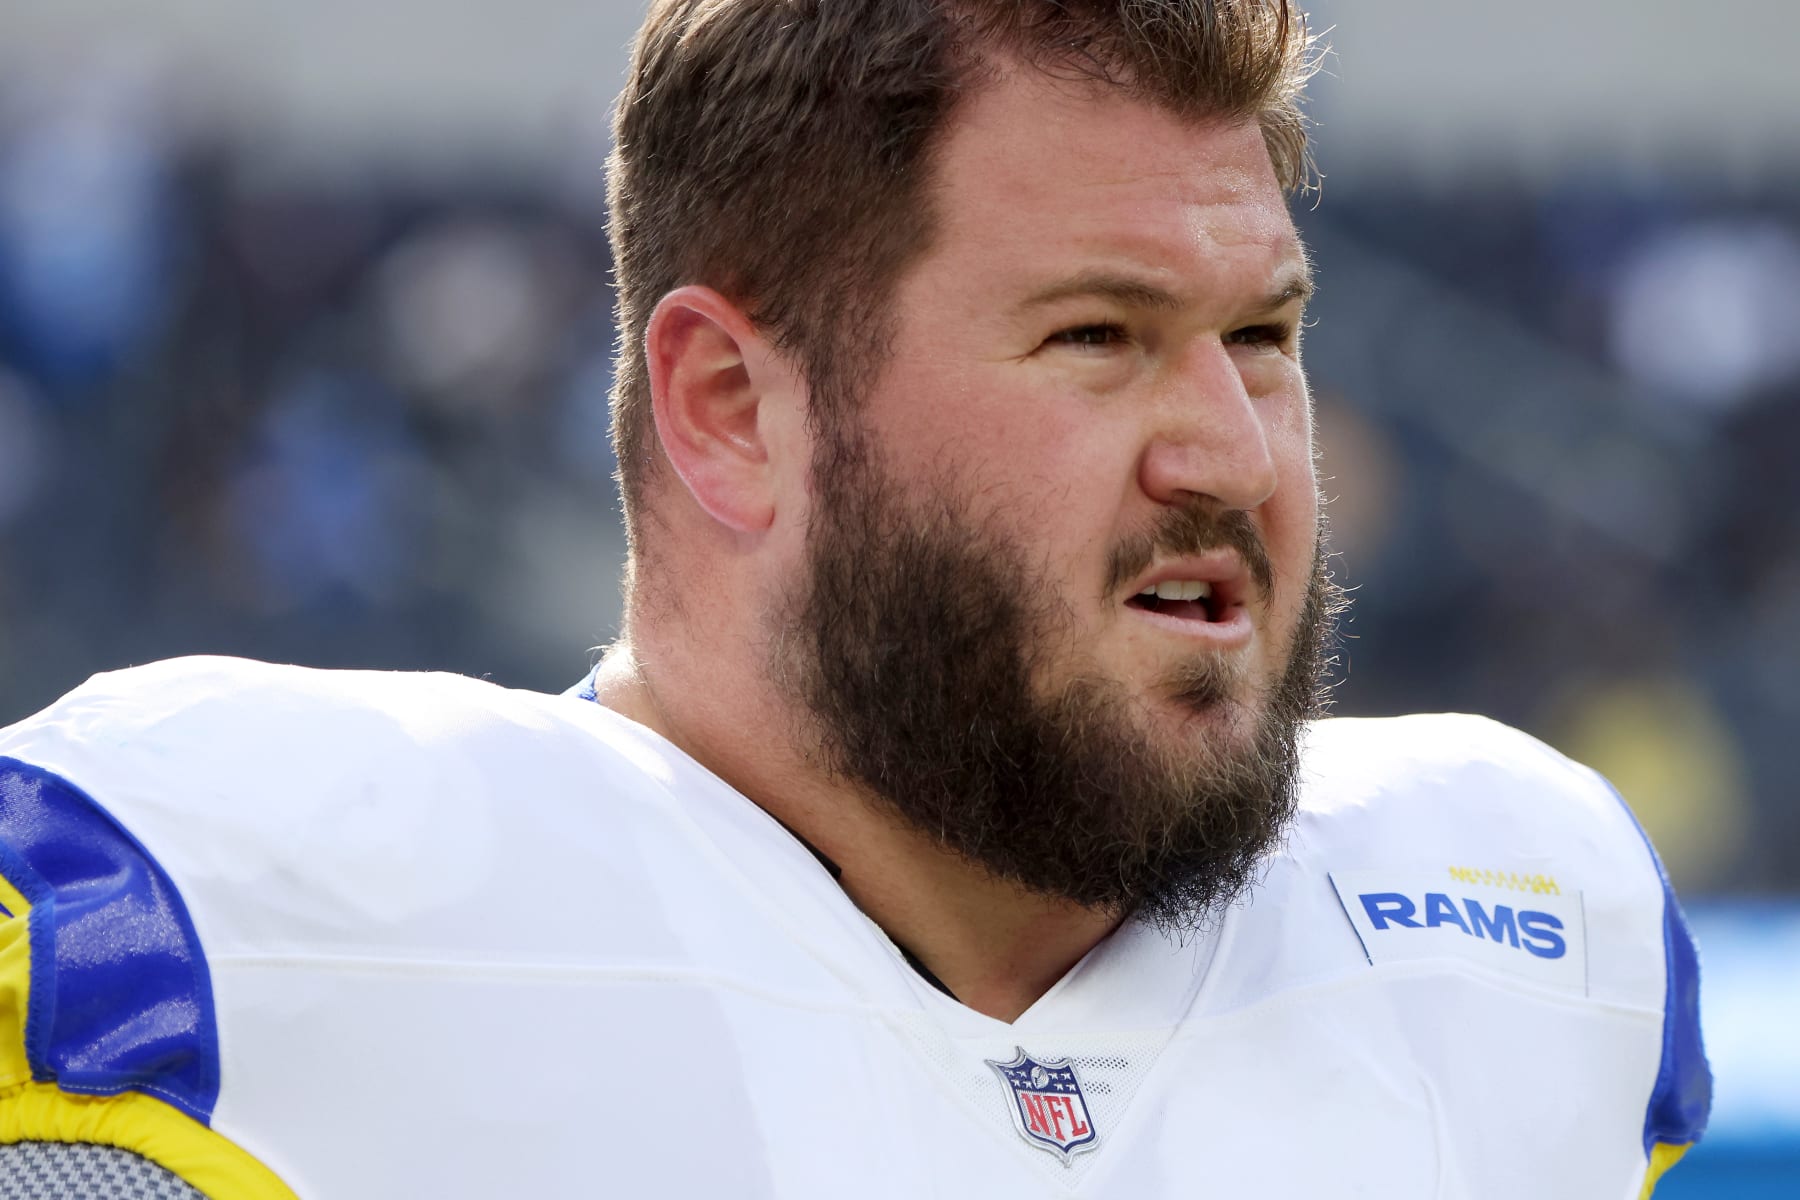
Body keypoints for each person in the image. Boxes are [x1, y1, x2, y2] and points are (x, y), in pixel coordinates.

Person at [0, 1, 1708, 1196]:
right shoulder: (211, 925)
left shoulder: (1524, 931)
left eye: (1261, 337)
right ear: (734, 413)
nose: (1231, 451)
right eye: (1098, 337)